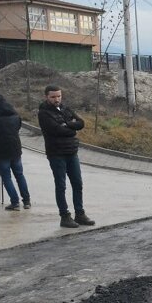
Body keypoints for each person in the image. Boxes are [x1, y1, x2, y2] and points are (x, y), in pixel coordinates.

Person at [38, 85, 94, 229]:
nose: (57, 99)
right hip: (56, 153)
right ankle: (65, 216)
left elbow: (81, 123)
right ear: (47, 97)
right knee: (61, 185)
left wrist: (67, 125)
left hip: (71, 152)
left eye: (59, 96)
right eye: (53, 97)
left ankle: (80, 214)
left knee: (77, 183)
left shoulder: (65, 108)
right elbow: (56, 130)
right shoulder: (43, 113)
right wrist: (71, 128)